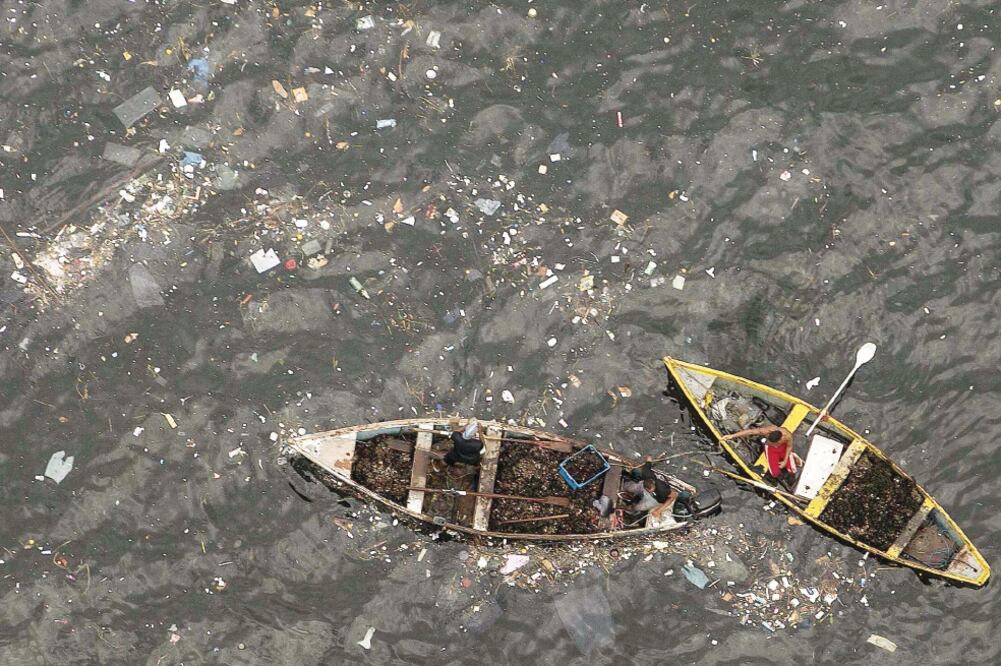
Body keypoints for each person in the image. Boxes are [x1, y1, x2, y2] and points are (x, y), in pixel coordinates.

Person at [723, 425, 802, 480]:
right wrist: (732, 436)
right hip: (770, 449)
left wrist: (785, 460)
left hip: (783, 447)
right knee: (774, 472)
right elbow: (750, 432)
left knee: (793, 470)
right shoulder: (767, 430)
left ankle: (791, 456)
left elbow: (789, 446)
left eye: (772, 442)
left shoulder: (787, 436)